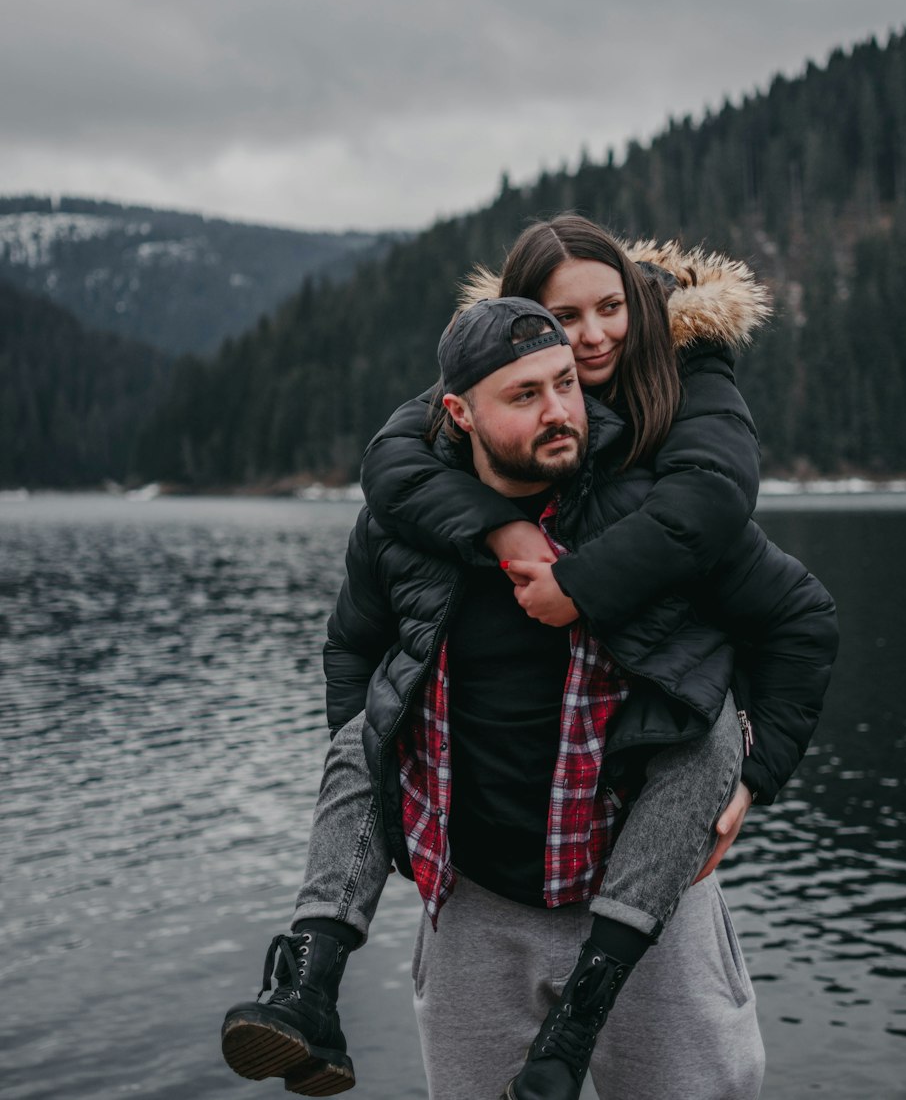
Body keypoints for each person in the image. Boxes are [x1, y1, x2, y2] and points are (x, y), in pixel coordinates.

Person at [220, 239, 837, 1099]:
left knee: (708, 741)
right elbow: (352, 643)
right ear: (461, 413)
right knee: (366, 730)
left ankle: (583, 1010)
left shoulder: (651, 504)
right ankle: (305, 985)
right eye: (528, 389)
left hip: (650, 900)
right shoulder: (408, 513)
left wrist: (754, 780)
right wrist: (387, 790)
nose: (564, 396)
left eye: (568, 384)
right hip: (481, 900)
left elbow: (794, 612)